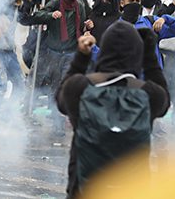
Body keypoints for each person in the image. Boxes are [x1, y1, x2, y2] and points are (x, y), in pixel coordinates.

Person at [57, 23, 169, 197]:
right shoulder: (149, 94)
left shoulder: (79, 87)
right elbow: (165, 101)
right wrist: (149, 56)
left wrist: (81, 57)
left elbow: (60, 100)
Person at [19, 0, 90, 134]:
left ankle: (58, 122)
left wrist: (87, 26)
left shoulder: (80, 6)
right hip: (51, 52)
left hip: (70, 54)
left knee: (62, 88)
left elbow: (83, 24)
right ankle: (26, 114)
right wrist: (51, 15)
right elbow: (37, 16)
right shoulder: (55, 4)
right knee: (37, 83)